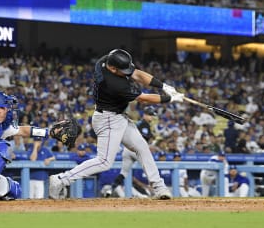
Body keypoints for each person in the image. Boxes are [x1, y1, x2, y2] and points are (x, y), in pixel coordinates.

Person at [48, 49, 184, 200]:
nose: (127, 73)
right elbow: (143, 98)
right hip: (108, 119)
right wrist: (169, 99)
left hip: (118, 117)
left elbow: (137, 73)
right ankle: (61, 180)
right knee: (104, 162)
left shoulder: (106, 61)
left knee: (142, 147)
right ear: (112, 69)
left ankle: (159, 187)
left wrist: (163, 85)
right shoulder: (114, 84)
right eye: (123, 70)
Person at [111, 106, 158, 197]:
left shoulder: (139, 123)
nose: (152, 117)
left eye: (152, 115)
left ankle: (111, 188)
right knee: (150, 169)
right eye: (150, 115)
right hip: (136, 150)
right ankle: (158, 191)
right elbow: (144, 138)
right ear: (145, 115)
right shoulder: (144, 124)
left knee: (124, 172)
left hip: (127, 150)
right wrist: (151, 138)